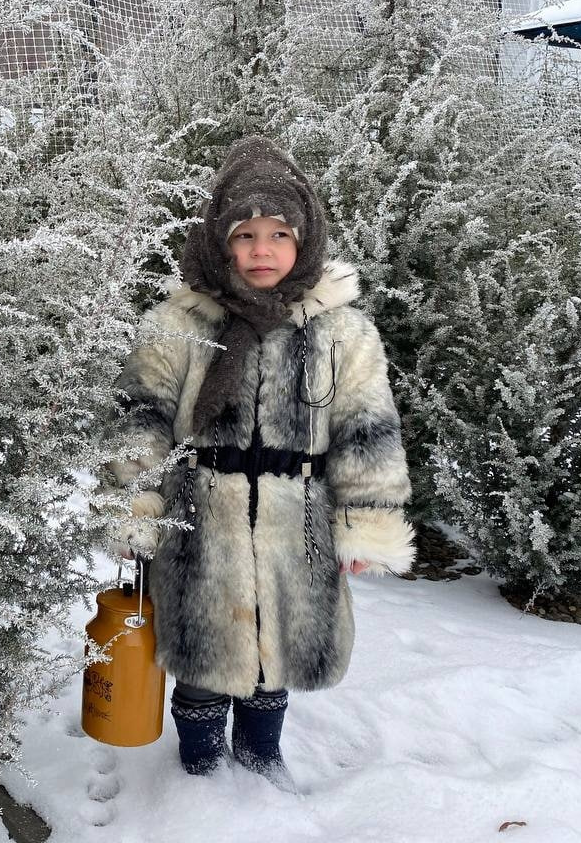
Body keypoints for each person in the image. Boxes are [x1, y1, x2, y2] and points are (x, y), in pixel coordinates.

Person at [106, 135, 413, 791]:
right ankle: (198, 768)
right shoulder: (179, 322)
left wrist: (365, 521)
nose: (262, 250)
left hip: (295, 520)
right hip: (199, 519)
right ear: (220, 241)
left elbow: (367, 429)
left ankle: (261, 756)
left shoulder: (341, 331)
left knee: (277, 651)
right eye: (245, 235)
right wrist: (138, 508)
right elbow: (141, 419)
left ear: (306, 239)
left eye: (279, 234)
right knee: (202, 653)